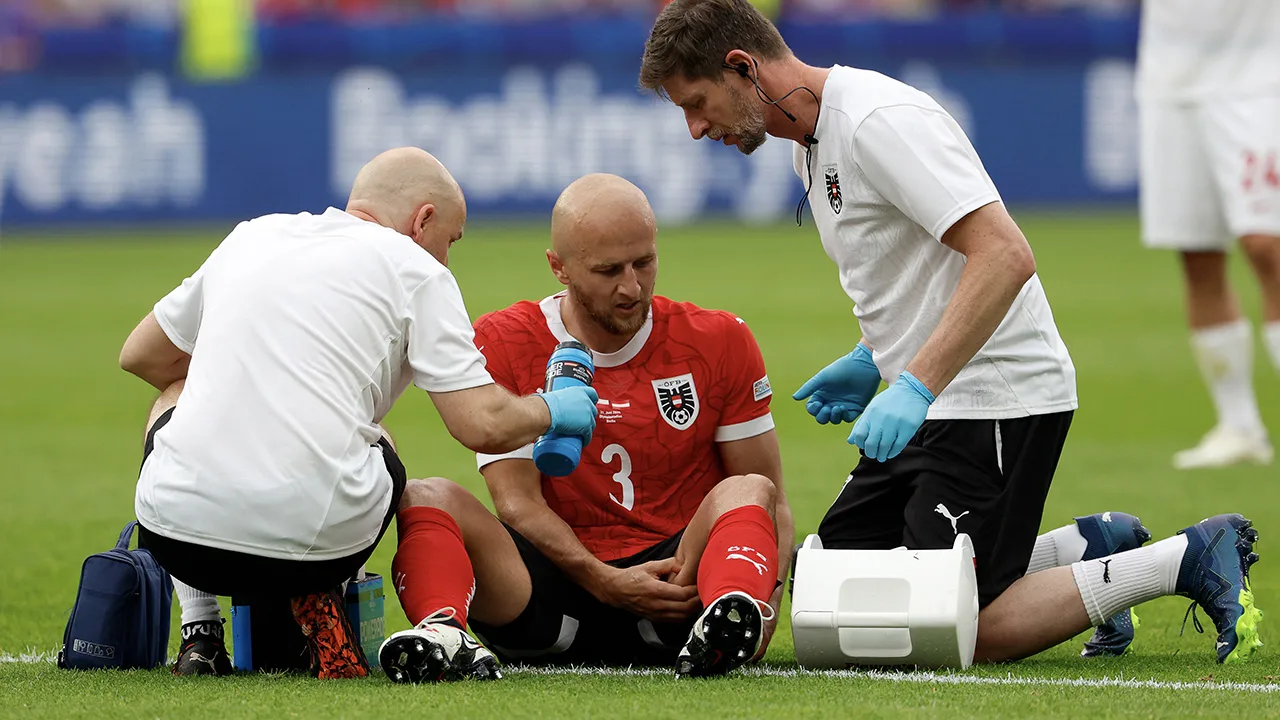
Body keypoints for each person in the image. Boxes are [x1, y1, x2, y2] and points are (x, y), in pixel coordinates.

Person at [638, 0, 1262, 664]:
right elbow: (918, 271)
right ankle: (1085, 549)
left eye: (696, 103)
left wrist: (912, 384)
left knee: (951, 626)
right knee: (842, 581)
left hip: (996, 395)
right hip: (931, 401)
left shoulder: (877, 122)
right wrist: (869, 357)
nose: (696, 128)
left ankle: (1185, 558)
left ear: (742, 67)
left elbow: (1005, 254)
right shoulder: (810, 148)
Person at [118, 147, 599, 679]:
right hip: (319, 547)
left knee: (174, 396)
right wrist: (553, 408)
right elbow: (479, 423)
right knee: (375, 437)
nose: (447, 258)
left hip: (174, 540)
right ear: (424, 221)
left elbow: (141, 356)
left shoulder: (251, 236)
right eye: (451, 240)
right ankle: (323, 600)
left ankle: (200, 632)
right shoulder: (418, 270)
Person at [377, 173, 794, 682]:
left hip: (676, 591)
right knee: (427, 494)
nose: (632, 286)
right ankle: (442, 633)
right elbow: (516, 503)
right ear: (559, 268)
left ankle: (731, 618)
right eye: (608, 270)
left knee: (749, 488)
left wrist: (767, 602)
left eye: (644, 262)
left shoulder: (718, 339)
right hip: (549, 593)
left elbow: (768, 500)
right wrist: (605, 581)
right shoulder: (503, 339)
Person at [1137, 0, 1280, 469]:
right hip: (1170, 78)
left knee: (1266, 246)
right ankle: (1239, 426)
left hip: (1258, 72)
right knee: (1198, 254)